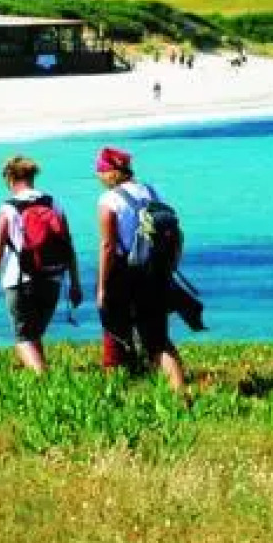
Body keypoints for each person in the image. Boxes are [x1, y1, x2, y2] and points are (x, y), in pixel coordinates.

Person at [94, 147, 189, 396]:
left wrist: (102, 286)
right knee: (157, 337)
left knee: (117, 332)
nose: (98, 176)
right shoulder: (152, 191)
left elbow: (107, 246)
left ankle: (120, 391)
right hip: (156, 272)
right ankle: (179, 390)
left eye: (100, 171)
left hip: (127, 273)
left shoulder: (109, 200)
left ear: (111, 172)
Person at [0, 155, 83, 373]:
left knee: (23, 339)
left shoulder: (8, 208)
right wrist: (75, 283)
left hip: (19, 280)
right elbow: (68, 245)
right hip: (53, 278)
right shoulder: (52, 202)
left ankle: (42, 378)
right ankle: (40, 375)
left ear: (10, 178)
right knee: (34, 334)